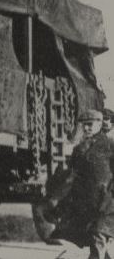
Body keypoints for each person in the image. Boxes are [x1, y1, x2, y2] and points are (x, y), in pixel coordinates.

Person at [49, 109, 114, 258]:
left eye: (90, 124)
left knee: (98, 234)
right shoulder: (79, 149)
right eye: (84, 125)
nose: (86, 128)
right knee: (94, 237)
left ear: (100, 124)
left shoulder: (110, 145)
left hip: (107, 202)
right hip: (87, 203)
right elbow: (73, 177)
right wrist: (61, 201)